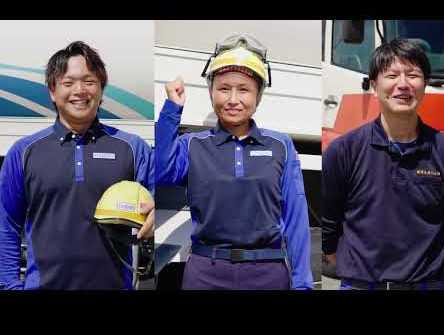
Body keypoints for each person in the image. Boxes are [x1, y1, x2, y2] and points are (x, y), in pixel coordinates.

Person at [155, 33, 313, 290]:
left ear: (258, 95)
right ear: (211, 91)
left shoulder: (280, 145)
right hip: (205, 273)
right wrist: (172, 109)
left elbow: (296, 219)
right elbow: (161, 173)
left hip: (268, 274)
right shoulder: (193, 144)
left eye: (244, 90)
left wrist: (302, 283)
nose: (233, 100)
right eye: (224, 89)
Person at [322, 39, 444, 290]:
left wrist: (430, 268)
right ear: (374, 85)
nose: (403, 84)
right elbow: (329, 223)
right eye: (392, 75)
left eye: (413, 75)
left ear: (425, 83)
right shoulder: (344, 150)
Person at [0, 41, 154, 290]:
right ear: (52, 91)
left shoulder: (133, 149)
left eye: (89, 81)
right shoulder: (24, 152)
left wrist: (154, 215)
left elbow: (155, 209)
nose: (80, 90)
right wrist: (9, 285)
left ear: (102, 89)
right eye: (68, 83)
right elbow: (6, 225)